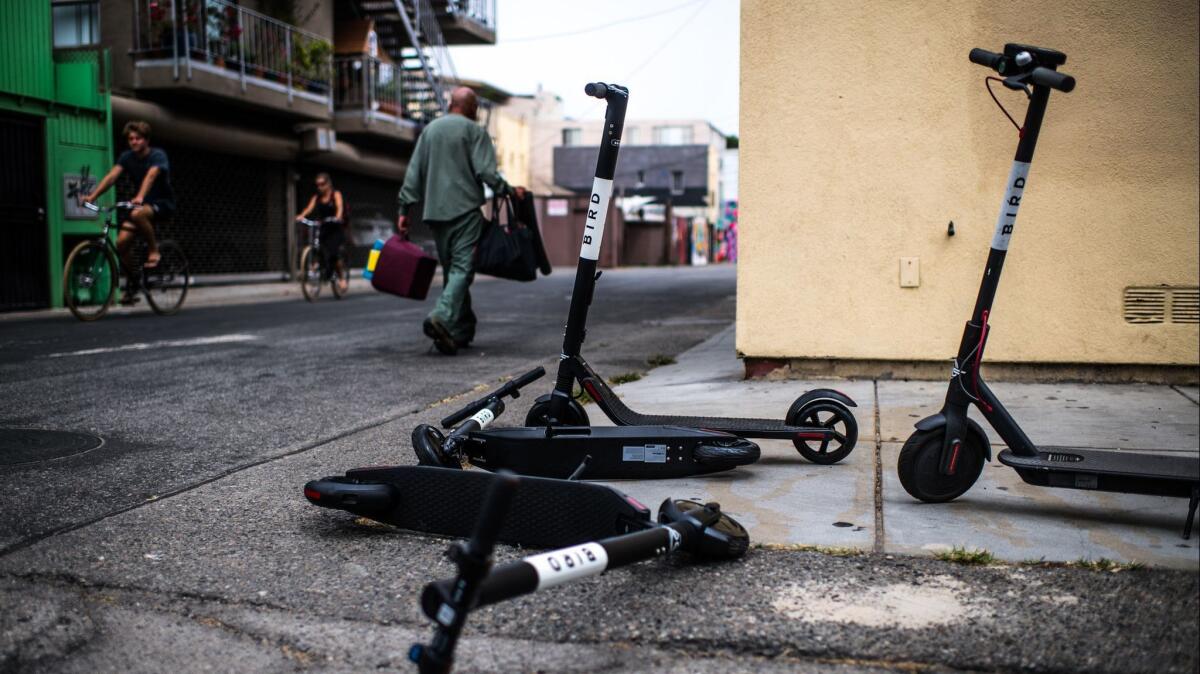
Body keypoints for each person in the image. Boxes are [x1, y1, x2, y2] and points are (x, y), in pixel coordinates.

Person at [396, 86, 526, 355]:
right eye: (476, 106)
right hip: (465, 210)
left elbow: (414, 172)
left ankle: (461, 329)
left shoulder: (430, 130)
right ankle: (441, 316)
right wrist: (510, 190)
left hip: (435, 213)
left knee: (452, 271)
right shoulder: (475, 131)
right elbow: (486, 172)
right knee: (462, 270)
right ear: (469, 107)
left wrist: (403, 210)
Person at [84, 120, 176, 303]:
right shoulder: (127, 157)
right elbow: (112, 177)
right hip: (140, 204)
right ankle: (134, 284)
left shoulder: (158, 155)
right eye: (131, 139)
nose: (133, 142)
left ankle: (153, 250)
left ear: (146, 140)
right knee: (121, 243)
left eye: (138, 138)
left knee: (137, 213)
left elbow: (151, 176)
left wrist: (140, 196)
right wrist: (92, 196)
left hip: (162, 203)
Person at [296, 172, 347, 292]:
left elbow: (340, 207)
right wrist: (301, 216)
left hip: (335, 228)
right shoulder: (316, 197)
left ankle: (341, 278)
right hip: (323, 227)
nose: (320, 187)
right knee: (318, 249)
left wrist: (338, 217)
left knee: (334, 254)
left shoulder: (335, 194)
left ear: (328, 184)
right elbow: (309, 208)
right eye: (317, 185)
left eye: (322, 184)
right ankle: (316, 272)